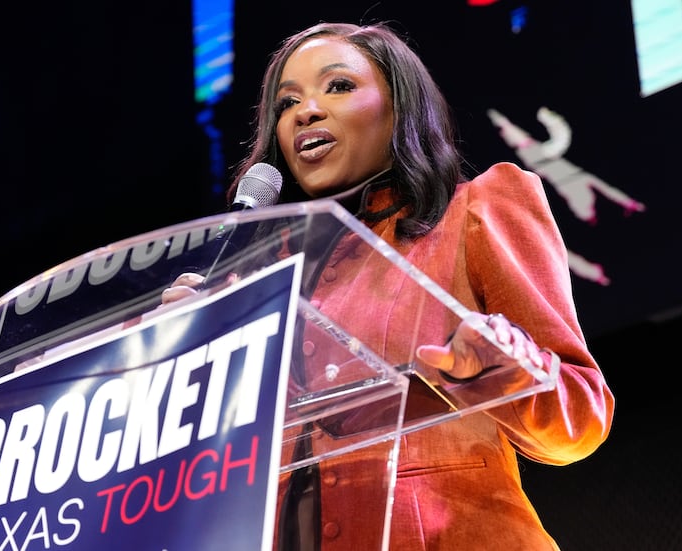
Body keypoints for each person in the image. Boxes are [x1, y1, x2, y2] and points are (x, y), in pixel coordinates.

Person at [163, 20, 614, 550]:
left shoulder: (476, 210)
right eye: (287, 103)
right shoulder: (255, 286)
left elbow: (579, 422)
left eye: (338, 86)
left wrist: (499, 367)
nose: (305, 111)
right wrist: (179, 367)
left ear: (398, 108)